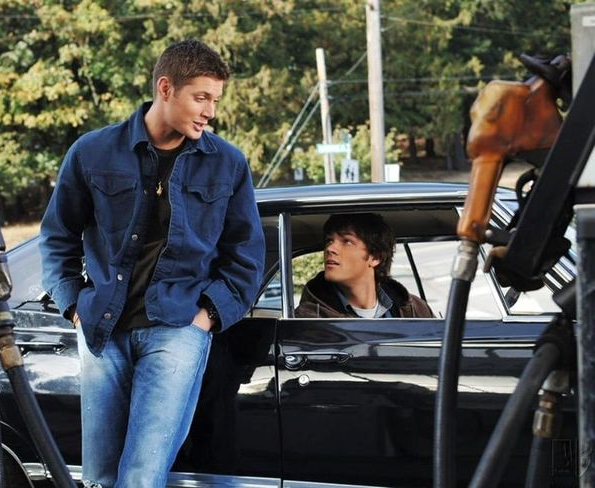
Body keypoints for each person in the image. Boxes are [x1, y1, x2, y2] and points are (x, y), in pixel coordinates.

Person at [39, 39, 265, 487]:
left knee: (143, 473)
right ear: (166, 88)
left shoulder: (228, 165)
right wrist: (72, 306)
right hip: (103, 328)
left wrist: (208, 316)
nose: (210, 112)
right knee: (100, 475)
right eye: (201, 97)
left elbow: (246, 256)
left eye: (215, 100)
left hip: (178, 327)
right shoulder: (92, 152)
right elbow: (57, 236)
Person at [295, 213, 433, 319]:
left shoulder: (415, 308)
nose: (331, 248)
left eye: (347, 241)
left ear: (375, 257)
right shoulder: (309, 318)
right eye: (329, 240)